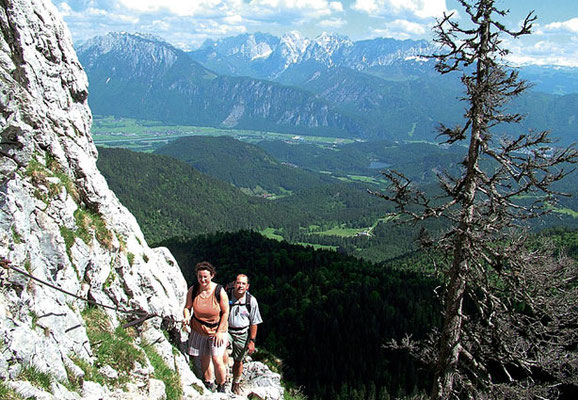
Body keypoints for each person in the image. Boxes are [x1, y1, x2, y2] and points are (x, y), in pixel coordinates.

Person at [183, 261, 229, 393]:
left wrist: (220, 332)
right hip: (199, 329)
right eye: (200, 276)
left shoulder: (219, 291)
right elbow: (187, 307)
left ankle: (222, 385)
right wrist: (186, 316)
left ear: (212, 276)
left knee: (216, 358)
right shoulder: (193, 290)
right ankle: (208, 382)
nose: (202, 280)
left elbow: (226, 312)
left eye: (205, 277)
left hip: (217, 330)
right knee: (203, 357)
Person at [225, 274, 263, 395]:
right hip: (227, 330)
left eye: (243, 284)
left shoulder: (251, 301)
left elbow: (254, 322)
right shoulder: (226, 296)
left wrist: (252, 341)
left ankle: (235, 383)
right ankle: (223, 378)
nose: (240, 286)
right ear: (234, 284)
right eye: (238, 283)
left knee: (238, 361)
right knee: (221, 351)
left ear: (247, 286)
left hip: (242, 333)